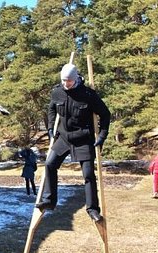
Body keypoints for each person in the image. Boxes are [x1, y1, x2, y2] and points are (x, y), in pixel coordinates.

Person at [36, 63, 111, 222]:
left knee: (89, 175)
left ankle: (92, 209)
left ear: (76, 79)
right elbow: (51, 109)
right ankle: (49, 200)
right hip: (63, 137)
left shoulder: (88, 95)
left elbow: (105, 114)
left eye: (68, 81)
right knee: (50, 164)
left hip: (83, 139)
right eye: (63, 81)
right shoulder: (57, 92)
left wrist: (102, 136)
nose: (65, 84)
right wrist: (50, 128)